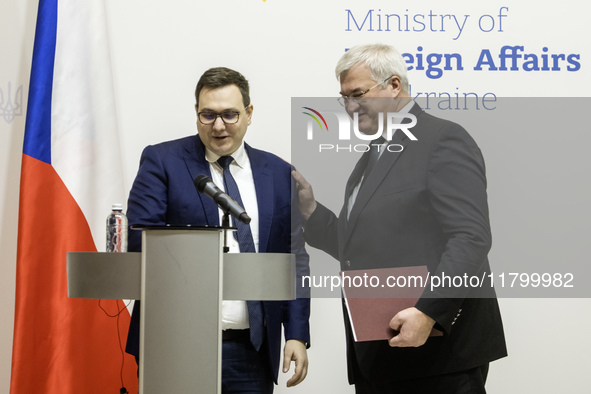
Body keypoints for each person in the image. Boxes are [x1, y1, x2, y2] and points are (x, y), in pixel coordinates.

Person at [292, 43, 507, 393]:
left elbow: (471, 238)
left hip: (436, 357)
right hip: (383, 357)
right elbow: (359, 248)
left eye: (357, 93)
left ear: (394, 85)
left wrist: (428, 312)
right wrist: (311, 211)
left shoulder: (442, 139)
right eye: (343, 97)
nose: (349, 107)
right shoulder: (374, 154)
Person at [125, 67, 310, 393]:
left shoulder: (279, 173)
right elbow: (142, 241)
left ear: (249, 113)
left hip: (250, 350)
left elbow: (293, 258)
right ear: (196, 113)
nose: (219, 126)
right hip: (175, 345)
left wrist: (295, 332)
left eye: (229, 115)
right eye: (207, 115)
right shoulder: (162, 161)